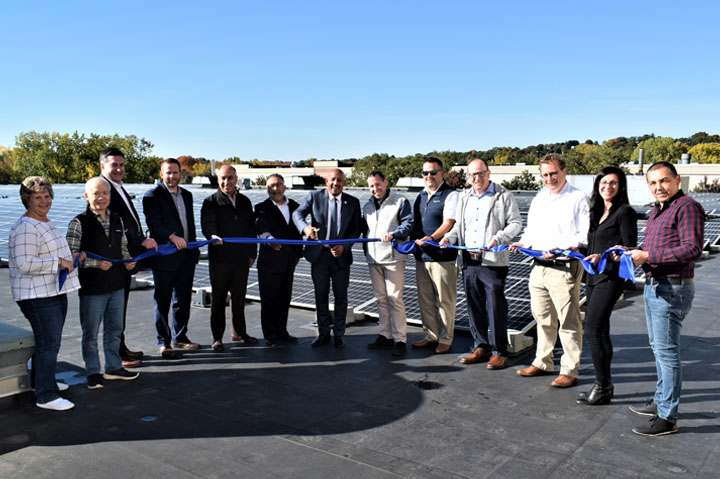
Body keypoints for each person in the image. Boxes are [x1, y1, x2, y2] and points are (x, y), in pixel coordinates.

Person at [625, 161, 704, 436]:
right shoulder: (657, 212)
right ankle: (660, 402)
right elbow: (651, 247)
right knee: (659, 348)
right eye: (653, 183)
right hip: (655, 285)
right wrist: (630, 252)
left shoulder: (687, 207)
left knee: (667, 353)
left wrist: (649, 257)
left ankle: (668, 417)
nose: (659, 187)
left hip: (673, 287)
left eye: (664, 181)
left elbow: (692, 248)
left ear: (677, 180)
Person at [511, 153, 589, 388]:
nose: (549, 178)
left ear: (564, 171)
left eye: (553, 173)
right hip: (539, 267)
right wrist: (523, 243)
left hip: (564, 267)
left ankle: (570, 369)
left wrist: (566, 248)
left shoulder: (578, 198)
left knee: (568, 321)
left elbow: (584, 234)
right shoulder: (540, 199)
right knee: (542, 318)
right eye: (545, 175)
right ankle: (543, 361)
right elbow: (531, 231)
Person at [9, 176, 81, 411]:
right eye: (37, 197)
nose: (44, 201)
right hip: (36, 295)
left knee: (48, 342)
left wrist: (72, 258)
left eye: (47, 196)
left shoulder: (43, 223)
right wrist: (58, 261)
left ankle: (41, 382)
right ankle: (46, 396)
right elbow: (24, 263)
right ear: (27, 200)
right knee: (48, 343)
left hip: (51, 290)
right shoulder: (26, 227)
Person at [442, 159, 522, 369]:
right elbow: (459, 226)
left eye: (480, 173)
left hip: (492, 261)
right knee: (474, 305)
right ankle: (481, 346)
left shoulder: (503, 195)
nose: (476, 178)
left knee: (495, 306)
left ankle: (499, 351)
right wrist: (449, 239)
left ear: (488, 173)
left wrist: (499, 238)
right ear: (468, 177)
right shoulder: (464, 197)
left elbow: (515, 223)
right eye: (472, 175)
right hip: (469, 259)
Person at [66, 178, 140, 389]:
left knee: (115, 330)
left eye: (105, 193)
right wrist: (94, 263)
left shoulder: (117, 219)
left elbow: (123, 247)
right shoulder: (78, 222)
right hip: (93, 288)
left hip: (117, 284)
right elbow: (70, 257)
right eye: (96, 193)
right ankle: (92, 372)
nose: (101, 198)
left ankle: (113, 368)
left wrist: (128, 260)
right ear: (87, 196)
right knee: (90, 333)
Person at [576, 166, 637, 406]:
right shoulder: (597, 210)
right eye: (603, 182)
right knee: (600, 331)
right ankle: (604, 386)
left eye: (613, 183)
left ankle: (602, 386)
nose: (607, 187)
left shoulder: (624, 212)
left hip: (610, 279)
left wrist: (605, 256)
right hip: (593, 278)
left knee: (592, 331)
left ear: (621, 187)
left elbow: (629, 248)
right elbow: (588, 245)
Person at [99, 147, 158, 368]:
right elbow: (112, 229)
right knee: (114, 312)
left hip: (126, 259)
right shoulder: (103, 189)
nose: (119, 169)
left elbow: (130, 222)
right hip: (116, 261)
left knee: (119, 309)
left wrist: (142, 239)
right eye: (114, 165)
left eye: (122, 165)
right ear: (103, 166)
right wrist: (128, 252)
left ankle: (121, 348)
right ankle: (117, 356)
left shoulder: (118, 188)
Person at [292, 168, 363, 349]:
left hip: (341, 257)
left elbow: (356, 229)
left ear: (344, 183)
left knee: (341, 297)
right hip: (319, 256)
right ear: (326, 181)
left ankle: (339, 334)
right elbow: (297, 214)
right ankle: (323, 333)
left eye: (339, 180)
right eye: (332, 180)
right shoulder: (315, 197)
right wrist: (306, 229)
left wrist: (344, 247)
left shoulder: (353, 202)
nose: (335, 183)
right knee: (320, 296)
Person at [143, 158, 200, 357]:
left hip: (186, 255)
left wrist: (193, 246)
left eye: (175, 172)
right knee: (163, 300)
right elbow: (154, 223)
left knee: (183, 299)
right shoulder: (152, 195)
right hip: (165, 256)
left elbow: (190, 225)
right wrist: (171, 236)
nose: (172, 176)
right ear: (161, 174)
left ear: (180, 174)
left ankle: (180, 337)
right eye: (168, 172)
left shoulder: (187, 195)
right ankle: (163, 341)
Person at [200, 164, 258, 351]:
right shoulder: (210, 202)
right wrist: (212, 236)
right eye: (223, 178)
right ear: (218, 180)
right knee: (218, 300)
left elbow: (251, 229)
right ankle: (217, 338)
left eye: (230, 178)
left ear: (236, 178)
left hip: (241, 259)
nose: (226, 182)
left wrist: (252, 253)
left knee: (239, 299)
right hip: (220, 259)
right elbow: (207, 225)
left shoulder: (245, 202)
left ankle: (239, 332)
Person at [410, 157, 459, 354]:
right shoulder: (420, 196)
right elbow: (413, 224)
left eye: (433, 172)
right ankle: (431, 335)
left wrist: (431, 238)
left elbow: (449, 223)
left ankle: (446, 339)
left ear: (442, 173)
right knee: (426, 299)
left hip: (442, 257)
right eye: (425, 173)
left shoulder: (450, 195)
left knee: (445, 301)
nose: (428, 176)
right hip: (422, 257)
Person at [362, 170, 413, 357]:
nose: (375, 188)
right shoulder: (367, 206)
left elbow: (408, 224)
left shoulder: (400, 201)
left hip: (393, 258)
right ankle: (385, 335)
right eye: (371, 186)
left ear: (385, 182)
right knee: (381, 299)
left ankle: (400, 339)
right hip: (373, 259)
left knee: (395, 299)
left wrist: (394, 233)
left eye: (377, 184)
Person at [254, 173, 303, 346]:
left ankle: (282, 332)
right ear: (267, 189)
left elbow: (298, 233)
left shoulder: (296, 207)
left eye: (278, 185)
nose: (275, 189)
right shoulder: (261, 208)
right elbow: (261, 228)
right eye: (271, 186)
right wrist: (269, 240)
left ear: (285, 187)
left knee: (284, 299)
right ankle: (270, 335)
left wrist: (298, 254)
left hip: (289, 262)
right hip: (269, 262)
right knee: (269, 300)